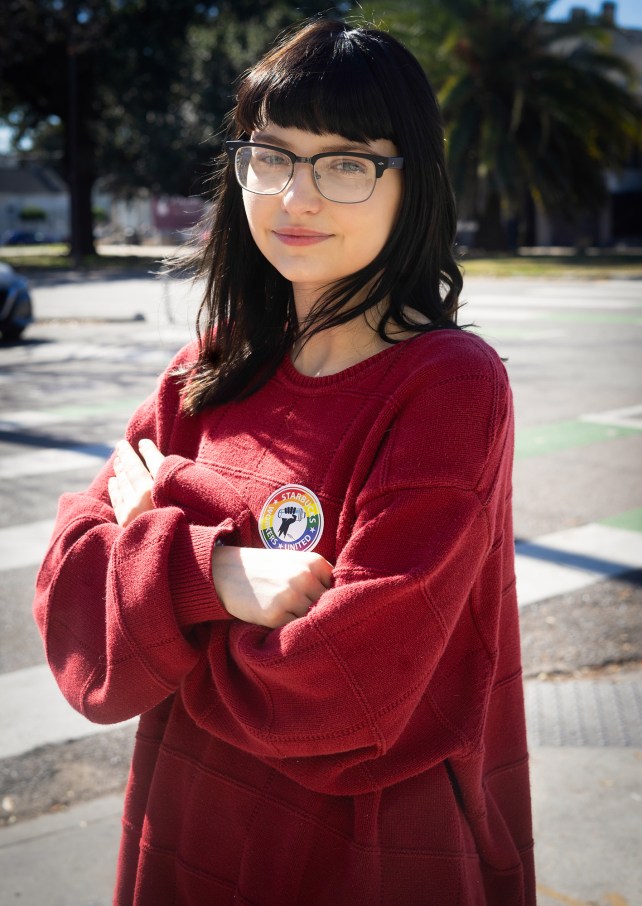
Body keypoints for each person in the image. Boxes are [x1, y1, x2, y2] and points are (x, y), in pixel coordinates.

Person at [34, 18, 535, 905]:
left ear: (410, 180)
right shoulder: (207, 367)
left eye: (346, 162)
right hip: (181, 823)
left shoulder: (450, 386)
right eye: (272, 155)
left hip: (360, 857)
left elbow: (343, 694)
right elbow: (72, 595)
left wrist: (152, 554)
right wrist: (211, 577)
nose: (296, 198)